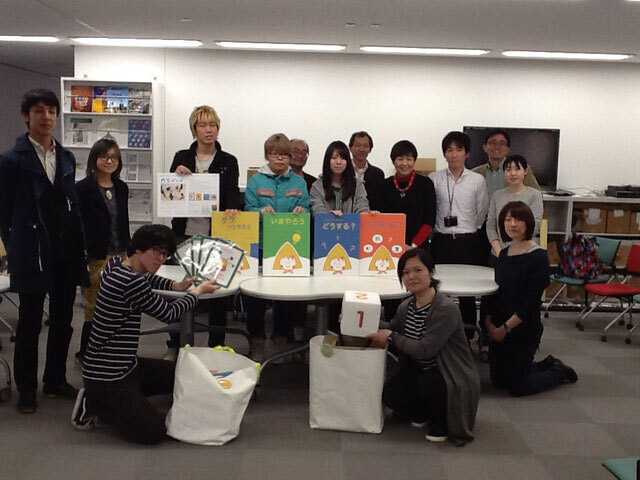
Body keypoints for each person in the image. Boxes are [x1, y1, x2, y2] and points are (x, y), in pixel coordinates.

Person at [74, 224, 218, 444]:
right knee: (153, 431)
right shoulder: (130, 281)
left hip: (126, 364)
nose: (161, 259)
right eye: (156, 252)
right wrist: (197, 292)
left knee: (185, 376)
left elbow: (148, 277)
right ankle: (95, 403)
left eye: (165, 254)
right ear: (139, 249)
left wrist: (176, 286)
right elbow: (169, 313)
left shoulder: (117, 264)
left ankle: (124, 398)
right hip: (108, 376)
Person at [0, 88, 88, 413]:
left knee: (63, 319)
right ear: (26, 116)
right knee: (30, 322)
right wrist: (14, 248)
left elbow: (69, 203)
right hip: (32, 250)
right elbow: (3, 212)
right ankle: (27, 388)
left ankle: (54, 380)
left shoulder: (66, 157)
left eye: (51, 111)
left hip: (66, 248)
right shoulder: (11, 160)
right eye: (39, 110)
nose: (46, 117)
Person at [368, 248, 480, 446]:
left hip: (448, 371)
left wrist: (392, 337)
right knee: (391, 395)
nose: (411, 276)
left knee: (428, 384)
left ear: (431, 272)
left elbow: (425, 349)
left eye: (418, 270)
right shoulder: (407, 306)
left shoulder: (445, 309)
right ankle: (423, 411)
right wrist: (359, 319)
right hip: (420, 367)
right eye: (405, 272)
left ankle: (443, 422)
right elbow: (393, 327)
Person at [168, 105, 241, 350]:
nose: (208, 130)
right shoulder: (182, 156)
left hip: (215, 232)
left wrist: (233, 208)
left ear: (218, 129)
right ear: (194, 129)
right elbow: (169, 191)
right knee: (181, 287)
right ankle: (177, 341)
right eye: (202, 125)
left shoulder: (228, 160)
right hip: (185, 231)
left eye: (212, 125)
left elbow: (232, 192)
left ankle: (217, 343)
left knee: (216, 289)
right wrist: (176, 175)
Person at [486, 202, 578, 396]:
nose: (512, 224)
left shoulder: (538, 257)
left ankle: (558, 372)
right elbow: (497, 292)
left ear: (528, 223)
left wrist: (506, 328)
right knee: (499, 380)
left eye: (518, 219)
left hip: (523, 327)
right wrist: (489, 322)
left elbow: (531, 302)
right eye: (508, 219)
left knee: (518, 387)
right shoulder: (504, 254)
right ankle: (545, 364)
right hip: (501, 323)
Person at [244, 133, 310, 361]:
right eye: (275, 154)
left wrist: (302, 211)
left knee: (285, 297)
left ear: (290, 158)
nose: (280, 159)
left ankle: (281, 339)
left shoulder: (299, 183)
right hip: (261, 245)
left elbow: (306, 209)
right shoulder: (256, 181)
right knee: (255, 297)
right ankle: (257, 341)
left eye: (284, 155)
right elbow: (248, 209)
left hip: (289, 247)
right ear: (267, 156)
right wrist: (260, 212)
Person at [75, 139, 131, 361]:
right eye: (104, 156)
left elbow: (123, 220)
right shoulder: (83, 189)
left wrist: (129, 252)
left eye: (114, 157)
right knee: (94, 308)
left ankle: (111, 351)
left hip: (120, 255)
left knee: (118, 307)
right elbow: (78, 225)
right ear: (94, 159)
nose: (109, 161)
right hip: (96, 256)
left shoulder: (121, 188)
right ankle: (87, 353)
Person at [429, 131, 488, 334]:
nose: (454, 154)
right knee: (439, 289)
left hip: (467, 241)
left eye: (459, 149)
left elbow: (481, 211)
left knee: (467, 291)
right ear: (445, 153)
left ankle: (467, 333)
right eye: (449, 150)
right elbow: (432, 208)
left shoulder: (477, 180)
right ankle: (439, 331)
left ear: (467, 153)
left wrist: (468, 229)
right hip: (441, 240)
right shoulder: (434, 179)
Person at [378, 140, 436, 249]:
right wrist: (394, 244)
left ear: (414, 161)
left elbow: (429, 222)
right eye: (400, 159)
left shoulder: (425, 184)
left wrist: (413, 246)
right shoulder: (384, 185)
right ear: (393, 161)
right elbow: (380, 220)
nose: (404, 163)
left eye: (409, 159)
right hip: (389, 246)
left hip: (418, 248)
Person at [486, 155, 543, 259]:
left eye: (517, 169)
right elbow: (490, 226)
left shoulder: (535, 195)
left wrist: (515, 251)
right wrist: (500, 253)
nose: (513, 173)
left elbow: (534, 225)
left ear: (525, 171)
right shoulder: (497, 195)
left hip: (524, 253)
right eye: (508, 170)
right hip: (498, 254)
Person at [472, 129, 540, 200]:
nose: (497, 147)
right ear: (485, 147)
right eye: (492, 143)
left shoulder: (521, 169)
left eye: (502, 144)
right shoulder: (475, 173)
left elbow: (537, 195)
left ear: (508, 149)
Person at [310, 140, 370, 215]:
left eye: (342, 158)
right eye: (334, 158)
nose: (338, 162)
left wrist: (369, 215)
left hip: (353, 223)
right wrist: (333, 217)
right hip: (327, 222)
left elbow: (362, 208)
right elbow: (318, 213)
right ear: (327, 160)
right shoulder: (317, 187)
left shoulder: (358, 185)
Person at [349, 131, 385, 210]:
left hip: (370, 215)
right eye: (358, 145)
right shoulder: (343, 171)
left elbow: (379, 202)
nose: (361, 149)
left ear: (370, 149)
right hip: (346, 216)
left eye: (365, 146)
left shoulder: (378, 174)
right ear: (350, 148)